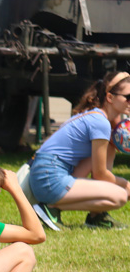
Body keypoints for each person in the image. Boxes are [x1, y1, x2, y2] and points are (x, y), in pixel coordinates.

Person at [29, 71, 130, 231]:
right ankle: (50, 207)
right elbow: (100, 174)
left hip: (46, 173)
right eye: (128, 97)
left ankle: (96, 216)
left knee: (110, 147)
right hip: (48, 178)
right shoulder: (100, 122)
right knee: (120, 196)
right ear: (110, 98)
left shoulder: (98, 117)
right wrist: (126, 184)